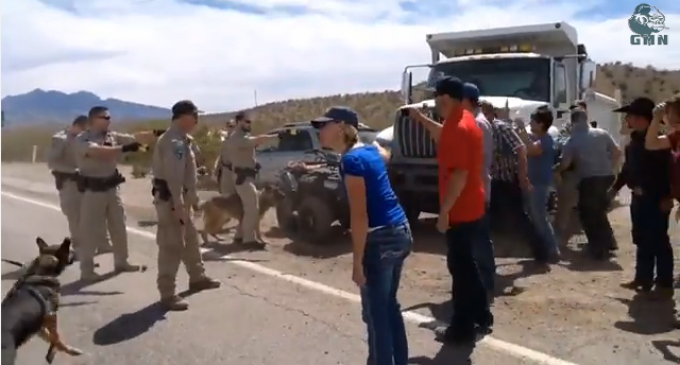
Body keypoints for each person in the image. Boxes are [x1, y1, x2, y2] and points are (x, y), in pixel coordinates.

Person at [312, 106, 411, 365]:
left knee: (376, 314)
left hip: (379, 238)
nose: (320, 130)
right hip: (400, 230)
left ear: (343, 128)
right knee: (389, 306)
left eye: (325, 125)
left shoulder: (352, 161)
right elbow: (386, 153)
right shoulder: (369, 151)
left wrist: (357, 263)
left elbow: (359, 216)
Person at [409, 76, 492, 345]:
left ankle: (462, 329)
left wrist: (443, 212)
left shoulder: (458, 127)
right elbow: (442, 134)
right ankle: (482, 316)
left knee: (461, 271)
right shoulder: (463, 119)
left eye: (437, 97)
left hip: (461, 210)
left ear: (445, 98)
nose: (435, 101)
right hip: (473, 205)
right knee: (470, 267)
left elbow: (459, 175)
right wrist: (420, 119)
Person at [151, 100, 221, 310]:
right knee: (172, 245)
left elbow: (188, 174)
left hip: (181, 200)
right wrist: (179, 205)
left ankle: (197, 277)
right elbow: (174, 178)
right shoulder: (174, 142)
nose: (197, 121)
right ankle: (167, 293)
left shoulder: (183, 139)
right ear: (184, 117)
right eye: (195, 116)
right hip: (172, 201)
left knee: (190, 240)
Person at [74, 106, 155, 281]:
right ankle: (87, 271)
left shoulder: (111, 135)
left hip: (112, 188)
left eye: (110, 117)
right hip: (93, 190)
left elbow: (136, 138)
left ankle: (121, 262)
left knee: (118, 226)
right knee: (90, 231)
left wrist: (159, 132)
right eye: (105, 117)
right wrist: (125, 149)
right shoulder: (83, 139)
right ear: (94, 119)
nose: (109, 120)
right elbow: (98, 152)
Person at [611, 97, 674, 299]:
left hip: (656, 198)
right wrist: (614, 189)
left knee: (659, 240)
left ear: (642, 119)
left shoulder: (660, 143)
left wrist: (667, 196)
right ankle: (643, 279)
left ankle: (664, 281)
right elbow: (627, 171)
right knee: (642, 239)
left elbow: (669, 173)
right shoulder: (633, 144)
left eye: (630, 116)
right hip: (639, 199)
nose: (627, 119)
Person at [481, 101, 548, 264]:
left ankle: (541, 252)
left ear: (490, 114)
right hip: (492, 180)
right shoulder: (480, 129)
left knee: (519, 217)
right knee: (488, 218)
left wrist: (523, 177)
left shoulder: (501, 128)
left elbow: (521, 149)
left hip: (506, 180)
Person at [557, 109, 621, 260]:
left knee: (587, 214)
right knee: (599, 210)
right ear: (587, 119)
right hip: (607, 177)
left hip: (589, 179)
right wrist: (609, 166)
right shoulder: (602, 133)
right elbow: (617, 152)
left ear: (573, 122)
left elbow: (565, 163)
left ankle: (598, 247)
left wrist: (556, 170)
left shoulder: (572, 139)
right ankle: (609, 242)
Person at [48, 115, 112, 257]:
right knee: (75, 216)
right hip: (70, 183)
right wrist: (73, 171)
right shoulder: (61, 139)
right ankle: (80, 247)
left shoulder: (87, 138)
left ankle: (103, 244)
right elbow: (52, 163)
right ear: (78, 126)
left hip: (89, 181)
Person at [223, 111, 279, 247]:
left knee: (247, 208)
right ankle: (248, 239)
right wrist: (274, 136)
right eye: (246, 122)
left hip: (246, 176)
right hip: (242, 177)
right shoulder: (237, 137)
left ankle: (240, 235)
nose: (249, 124)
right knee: (252, 208)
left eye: (250, 122)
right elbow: (257, 140)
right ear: (239, 122)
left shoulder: (241, 136)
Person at [462, 84, 496, 295]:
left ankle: (485, 281)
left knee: (479, 238)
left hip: (476, 188)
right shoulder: (477, 122)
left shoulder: (478, 124)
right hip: (475, 187)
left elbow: (475, 160)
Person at [515, 106, 560, 262]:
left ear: (541, 124)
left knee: (540, 217)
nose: (530, 123)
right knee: (535, 217)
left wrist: (521, 130)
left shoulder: (545, 140)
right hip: (534, 182)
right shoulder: (538, 138)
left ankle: (552, 249)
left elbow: (531, 150)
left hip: (540, 183)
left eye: (533, 121)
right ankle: (543, 248)